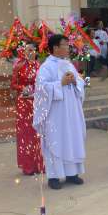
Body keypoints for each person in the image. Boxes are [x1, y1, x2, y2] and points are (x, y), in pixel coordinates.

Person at [33, 35, 87, 190]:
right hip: (56, 113)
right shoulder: (46, 67)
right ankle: (54, 176)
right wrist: (60, 84)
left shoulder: (69, 64)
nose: (68, 48)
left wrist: (76, 81)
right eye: (65, 45)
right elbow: (41, 89)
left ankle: (72, 173)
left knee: (72, 139)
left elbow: (81, 82)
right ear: (55, 48)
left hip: (72, 110)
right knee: (56, 140)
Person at [10, 43, 44, 175]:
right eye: (29, 50)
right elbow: (13, 84)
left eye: (34, 50)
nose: (32, 52)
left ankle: (40, 164)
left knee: (38, 131)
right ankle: (28, 165)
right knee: (26, 132)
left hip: (37, 101)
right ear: (23, 52)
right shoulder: (19, 66)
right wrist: (22, 88)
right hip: (24, 103)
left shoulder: (39, 66)